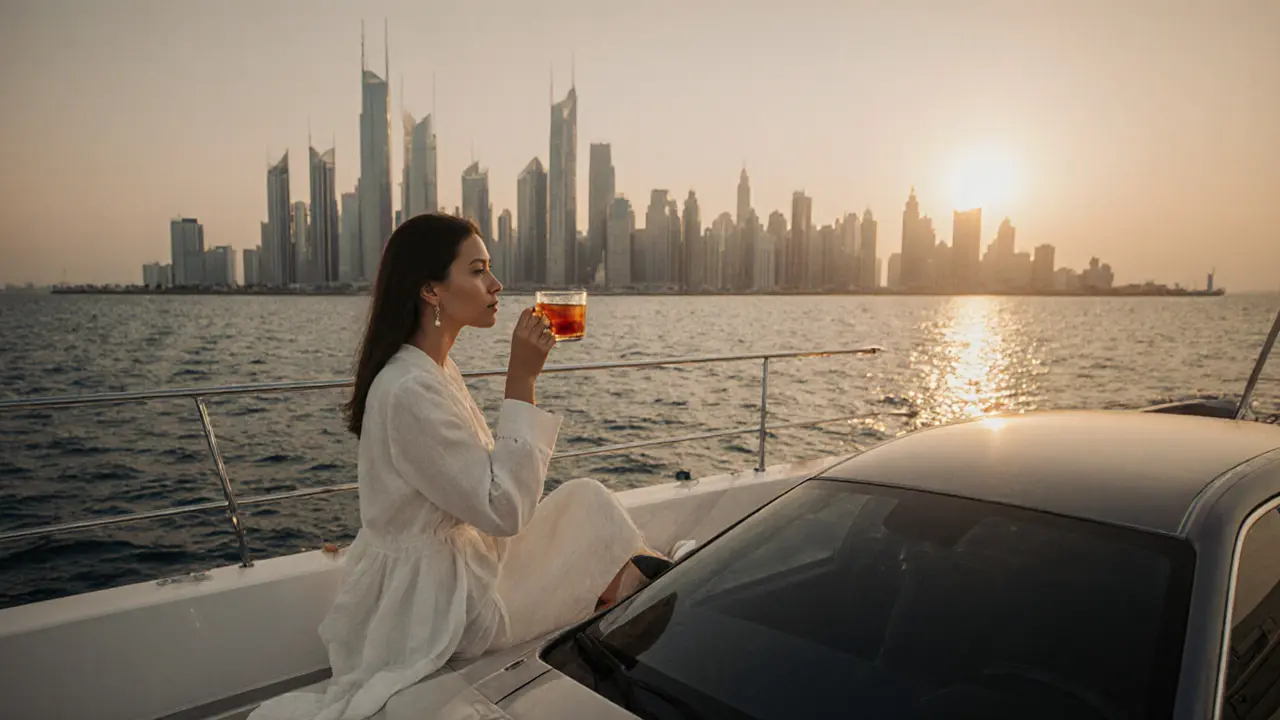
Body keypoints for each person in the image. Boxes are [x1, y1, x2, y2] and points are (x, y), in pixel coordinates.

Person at [249, 214, 669, 720]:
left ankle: (628, 602)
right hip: (444, 608)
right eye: (477, 271)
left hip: (459, 568)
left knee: (588, 500)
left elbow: (480, 491)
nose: (496, 285)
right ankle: (634, 622)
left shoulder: (431, 369)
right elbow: (503, 509)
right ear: (431, 289)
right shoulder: (409, 389)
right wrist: (521, 378)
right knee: (628, 566)